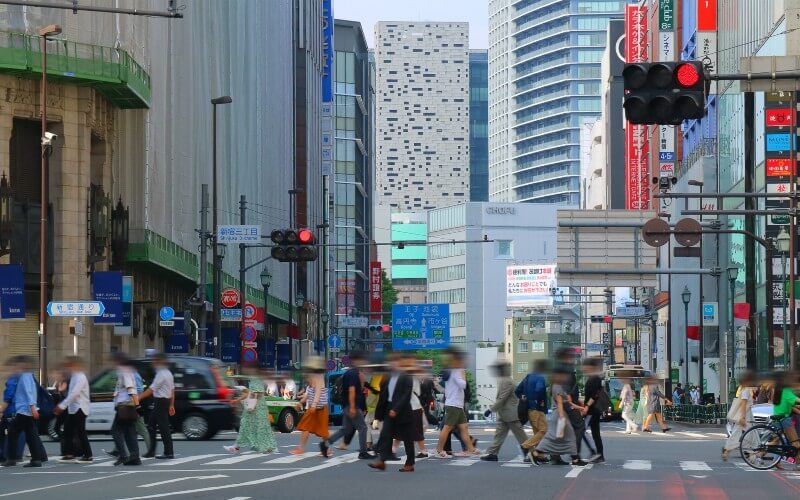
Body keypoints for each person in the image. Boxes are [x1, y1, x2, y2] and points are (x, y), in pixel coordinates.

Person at [369, 354, 416, 472]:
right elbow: (383, 396)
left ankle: (409, 463)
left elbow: (406, 394)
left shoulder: (406, 376)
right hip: (389, 409)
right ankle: (382, 461)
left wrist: (396, 409)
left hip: (402, 410)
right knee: (385, 434)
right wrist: (378, 416)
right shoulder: (388, 376)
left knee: (407, 438)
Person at [531, 368, 587, 467]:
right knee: (557, 437)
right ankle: (536, 453)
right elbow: (560, 402)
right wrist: (562, 417)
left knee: (558, 437)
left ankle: (537, 453)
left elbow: (567, 402)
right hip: (559, 415)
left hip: (559, 415)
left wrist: (580, 408)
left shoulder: (558, 386)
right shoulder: (557, 386)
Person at [323, 352, 374, 459]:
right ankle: (363, 452)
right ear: (356, 361)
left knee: (345, 429)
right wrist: (352, 406)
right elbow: (352, 390)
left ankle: (326, 444)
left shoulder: (349, 373)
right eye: (362, 361)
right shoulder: (353, 374)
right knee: (363, 428)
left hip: (347, 405)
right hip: (352, 406)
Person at [433, 349, 478, 458]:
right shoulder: (456, 370)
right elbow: (462, 385)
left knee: (464, 428)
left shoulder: (451, 370)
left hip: (456, 404)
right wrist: (463, 374)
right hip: (454, 404)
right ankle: (439, 450)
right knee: (447, 428)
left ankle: (471, 449)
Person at [223, 364, 277, 455]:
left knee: (251, 426)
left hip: (255, 407)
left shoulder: (256, 378)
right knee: (255, 426)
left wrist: (249, 398)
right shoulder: (255, 378)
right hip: (256, 406)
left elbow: (258, 393)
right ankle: (268, 447)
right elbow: (251, 393)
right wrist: (237, 400)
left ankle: (268, 447)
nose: (245, 370)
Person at [481, 359, 528, 462]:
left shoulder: (507, 381)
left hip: (511, 413)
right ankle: (493, 453)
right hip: (504, 413)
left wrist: (490, 410)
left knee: (521, 435)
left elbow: (502, 398)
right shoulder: (503, 379)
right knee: (499, 435)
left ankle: (531, 452)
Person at [1, 356, 44, 468]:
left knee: (12, 432)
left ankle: (12, 458)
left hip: (25, 410)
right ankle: (36, 459)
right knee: (30, 434)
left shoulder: (24, 376)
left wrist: (32, 407)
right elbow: (33, 392)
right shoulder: (29, 375)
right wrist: (34, 407)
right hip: (28, 410)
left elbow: (29, 392)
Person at [54, 356, 93, 464]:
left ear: (74, 365)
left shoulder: (80, 376)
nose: (67, 367)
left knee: (81, 432)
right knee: (67, 431)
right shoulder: (74, 376)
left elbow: (74, 393)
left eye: (69, 364)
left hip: (80, 407)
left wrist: (62, 406)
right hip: (73, 408)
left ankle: (88, 456)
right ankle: (69, 454)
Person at [139, 353, 176, 459]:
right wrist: (171, 404)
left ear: (160, 362)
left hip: (161, 402)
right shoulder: (168, 373)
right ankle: (152, 451)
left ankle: (168, 452)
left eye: (155, 361)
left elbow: (152, 389)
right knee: (151, 425)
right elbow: (172, 390)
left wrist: (138, 398)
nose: (153, 363)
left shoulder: (161, 374)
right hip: (164, 401)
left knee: (163, 427)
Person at [291, 357, 330, 456]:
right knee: (305, 426)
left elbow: (318, 391)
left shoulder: (319, 376)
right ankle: (301, 448)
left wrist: (314, 405)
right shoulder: (310, 380)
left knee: (323, 431)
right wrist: (300, 403)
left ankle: (328, 449)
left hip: (320, 408)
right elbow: (308, 395)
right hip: (313, 408)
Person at [110, 354, 142, 466]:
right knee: (130, 432)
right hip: (127, 406)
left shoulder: (125, 371)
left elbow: (131, 389)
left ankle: (123, 455)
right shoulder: (125, 371)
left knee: (115, 430)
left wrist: (137, 406)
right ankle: (135, 457)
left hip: (125, 406)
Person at [517, 359, 549, 461]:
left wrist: (524, 397)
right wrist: (539, 401)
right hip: (537, 408)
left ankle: (539, 455)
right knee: (544, 431)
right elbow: (539, 390)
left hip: (528, 408)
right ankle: (525, 446)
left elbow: (517, 391)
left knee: (537, 432)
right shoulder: (540, 377)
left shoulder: (528, 377)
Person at [722, 371, 757, 461]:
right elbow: (743, 404)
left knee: (748, 435)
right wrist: (742, 417)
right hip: (745, 416)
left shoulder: (744, 389)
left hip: (747, 416)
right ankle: (727, 449)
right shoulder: (745, 390)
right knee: (743, 434)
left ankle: (751, 454)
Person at [771, 372, 800, 465]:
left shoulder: (778, 389)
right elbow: (796, 400)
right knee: (796, 443)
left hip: (777, 418)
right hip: (785, 420)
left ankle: (759, 455)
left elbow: (790, 404)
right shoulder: (786, 390)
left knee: (776, 441)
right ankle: (799, 463)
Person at [581, 357, 606, 463]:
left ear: (590, 367)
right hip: (593, 410)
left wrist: (586, 406)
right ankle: (599, 454)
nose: (584, 368)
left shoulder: (594, 378)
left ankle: (595, 452)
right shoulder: (594, 378)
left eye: (586, 366)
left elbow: (595, 395)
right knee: (595, 433)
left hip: (592, 411)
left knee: (581, 431)